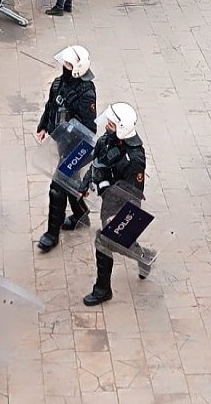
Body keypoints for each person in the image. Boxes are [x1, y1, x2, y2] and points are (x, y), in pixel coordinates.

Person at [82, 103, 154, 306]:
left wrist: (120, 217)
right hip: (107, 199)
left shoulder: (135, 158)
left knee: (104, 243)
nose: (107, 127)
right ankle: (144, 256)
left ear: (122, 128)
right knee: (115, 242)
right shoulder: (106, 141)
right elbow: (97, 164)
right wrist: (85, 182)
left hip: (120, 207)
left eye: (112, 125)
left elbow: (134, 193)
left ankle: (102, 289)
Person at [35, 45, 98, 251]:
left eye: (69, 64)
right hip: (62, 142)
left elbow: (88, 126)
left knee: (57, 187)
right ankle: (81, 214)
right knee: (71, 182)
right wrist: (44, 125)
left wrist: (69, 128)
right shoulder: (58, 83)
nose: (65, 66)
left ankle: (52, 234)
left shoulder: (86, 92)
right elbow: (51, 106)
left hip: (78, 147)